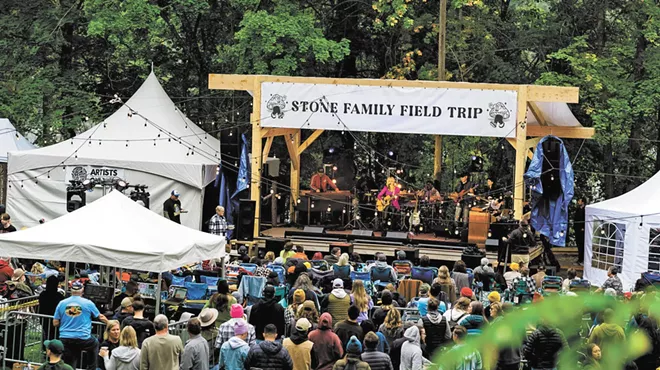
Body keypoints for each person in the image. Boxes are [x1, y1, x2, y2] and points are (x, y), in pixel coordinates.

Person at [53, 281, 108, 370]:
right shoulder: (88, 303)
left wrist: (66, 324)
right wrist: (109, 323)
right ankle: (91, 367)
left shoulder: (62, 303)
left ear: (71, 290)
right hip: (83, 338)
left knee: (70, 362)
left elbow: (55, 323)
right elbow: (100, 316)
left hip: (65, 338)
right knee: (95, 344)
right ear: (82, 290)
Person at [39, 274, 64, 342]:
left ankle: (46, 347)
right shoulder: (59, 296)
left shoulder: (42, 294)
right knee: (54, 335)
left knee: (47, 333)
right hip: (55, 319)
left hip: (44, 318)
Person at [575, 197, 586, 265]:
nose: (578, 202)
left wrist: (583, 227)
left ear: (582, 202)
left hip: (583, 230)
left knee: (582, 245)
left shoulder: (585, 210)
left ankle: (582, 259)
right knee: (579, 245)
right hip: (578, 229)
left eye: (579, 201)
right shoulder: (578, 209)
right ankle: (580, 259)